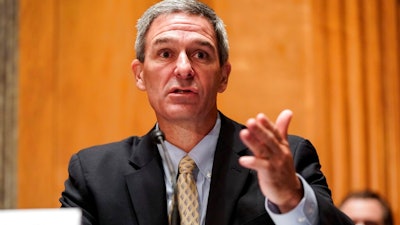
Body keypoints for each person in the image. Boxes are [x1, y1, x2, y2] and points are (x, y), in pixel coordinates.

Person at [59, 0, 354, 224]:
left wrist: (291, 198)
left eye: (200, 54)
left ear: (223, 76)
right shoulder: (95, 175)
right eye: (165, 54)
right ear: (139, 75)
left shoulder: (285, 159)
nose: (184, 69)